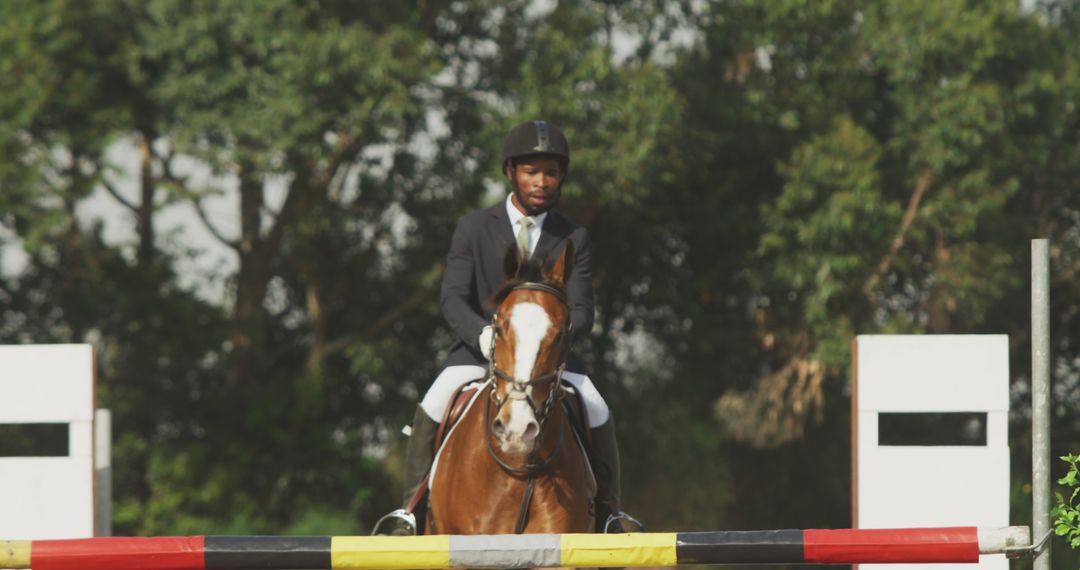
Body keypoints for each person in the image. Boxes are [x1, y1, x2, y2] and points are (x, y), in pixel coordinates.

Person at [376, 120, 637, 535]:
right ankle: (410, 510)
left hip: (548, 356)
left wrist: (559, 340)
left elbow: (583, 309)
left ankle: (609, 513)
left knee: (596, 403)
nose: (542, 181)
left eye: (551, 172)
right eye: (532, 171)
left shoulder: (574, 237)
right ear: (511, 172)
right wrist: (482, 335)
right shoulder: (474, 228)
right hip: (479, 350)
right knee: (435, 400)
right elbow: (452, 298)